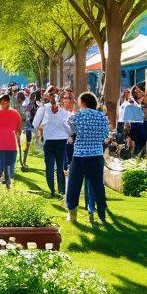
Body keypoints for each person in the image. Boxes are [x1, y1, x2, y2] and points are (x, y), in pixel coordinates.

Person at [66, 91, 110, 225]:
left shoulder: (77, 116)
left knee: (74, 185)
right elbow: (105, 136)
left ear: (83, 103)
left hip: (80, 155)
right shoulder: (102, 117)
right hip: (96, 155)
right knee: (97, 185)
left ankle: (72, 213)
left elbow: (71, 127)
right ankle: (100, 212)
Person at [33, 91, 72, 197]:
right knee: (59, 167)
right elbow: (70, 130)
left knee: (51, 167)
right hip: (58, 141)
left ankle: (55, 190)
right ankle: (60, 190)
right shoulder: (63, 113)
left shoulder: (46, 110)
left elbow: (35, 124)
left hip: (53, 141)